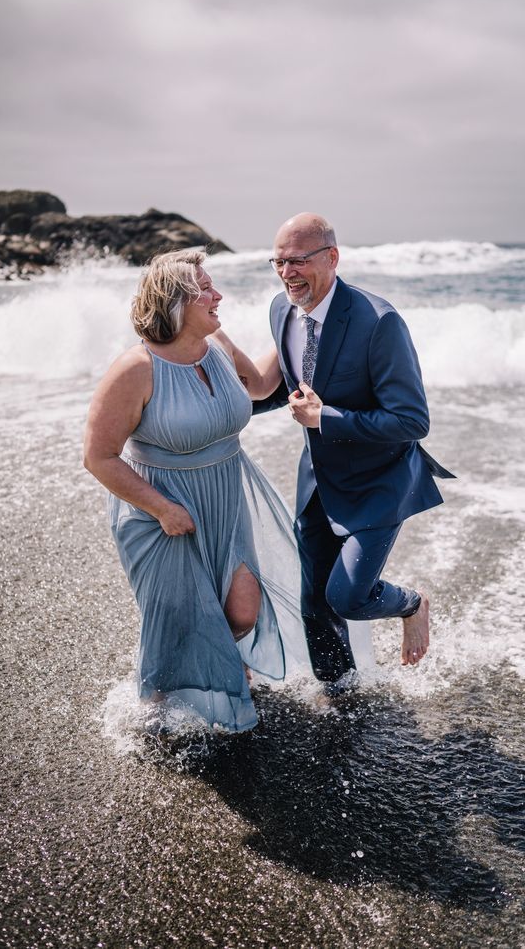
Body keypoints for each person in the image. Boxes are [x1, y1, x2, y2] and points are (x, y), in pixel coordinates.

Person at [83, 249, 309, 733]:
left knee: (242, 611)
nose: (217, 295)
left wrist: (297, 318)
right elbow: (98, 457)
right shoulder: (136, 369)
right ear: (173, 303)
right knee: (177, 622)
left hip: (226, 496)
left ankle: (215, 666)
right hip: (159, 512)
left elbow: (262, 383)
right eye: (204, 289)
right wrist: (162, 508)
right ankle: (154, 715)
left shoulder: (218, 342)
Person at [257, 213, 454, 693]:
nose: (287, 273)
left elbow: (411, 421)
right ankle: (341, 693)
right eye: (279, 261)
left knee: (346, 597)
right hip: (318, 483)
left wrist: (326, 418)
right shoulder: (281, 311)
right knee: (314, 606)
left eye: (298, 261)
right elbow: (279, 387)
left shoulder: (378, 322)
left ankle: (412, 603)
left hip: (379, 484)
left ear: (332, 257)